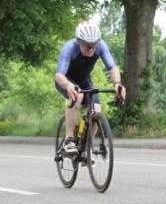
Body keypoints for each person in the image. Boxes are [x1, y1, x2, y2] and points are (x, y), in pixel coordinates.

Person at [54, 22, 127, 159]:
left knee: (96, 109)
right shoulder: (69, 48)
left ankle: (87, 147)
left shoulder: (101, 46)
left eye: (94, 45)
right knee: (78, 96)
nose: (91, 48)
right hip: (65, 81)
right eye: (87, 45)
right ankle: (69, 139)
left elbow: (112, 67)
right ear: (79, 42)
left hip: (83, 80)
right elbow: (58, 75)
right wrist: (68, 85)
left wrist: (117, 83)